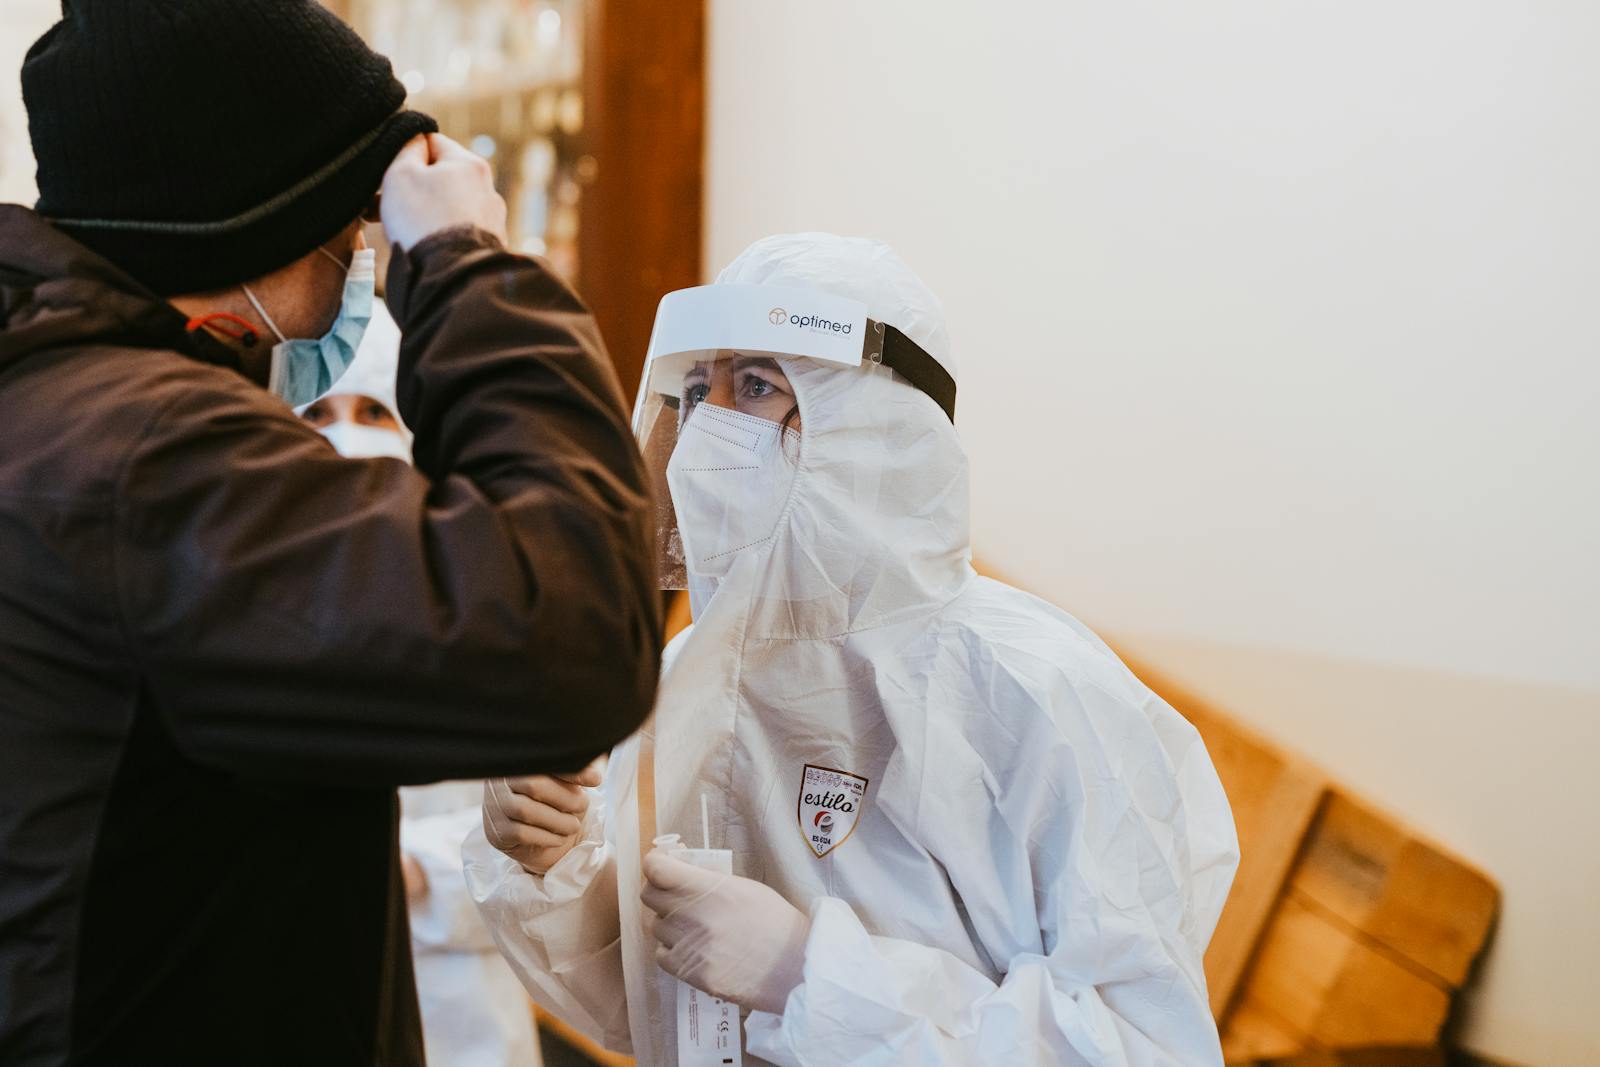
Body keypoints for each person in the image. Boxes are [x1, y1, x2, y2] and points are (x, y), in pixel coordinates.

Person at [0, 1, 660, 1063]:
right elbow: (575, 625)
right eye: (354, 210)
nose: (364, 242)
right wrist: (463, 259)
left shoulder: (59, 405)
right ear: (257, 207)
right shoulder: (147, 456)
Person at [466, 233, 1240, 1066]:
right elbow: (649, 1010)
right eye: (697, 390)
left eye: (756, 385)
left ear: (870, 423)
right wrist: (551, 860)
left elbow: (1140, 1045)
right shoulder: (689, 683)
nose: (706, 427)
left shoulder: (1034, 691)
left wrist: (810, 974)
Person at [299, 304, 545, 1067]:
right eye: (318, 413)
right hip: (298, 992)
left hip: (459, 1006)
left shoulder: (488, 607)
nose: (344, 436)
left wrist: (408, 873)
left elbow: (552, 835)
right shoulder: (243, 605)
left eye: (372, 410)